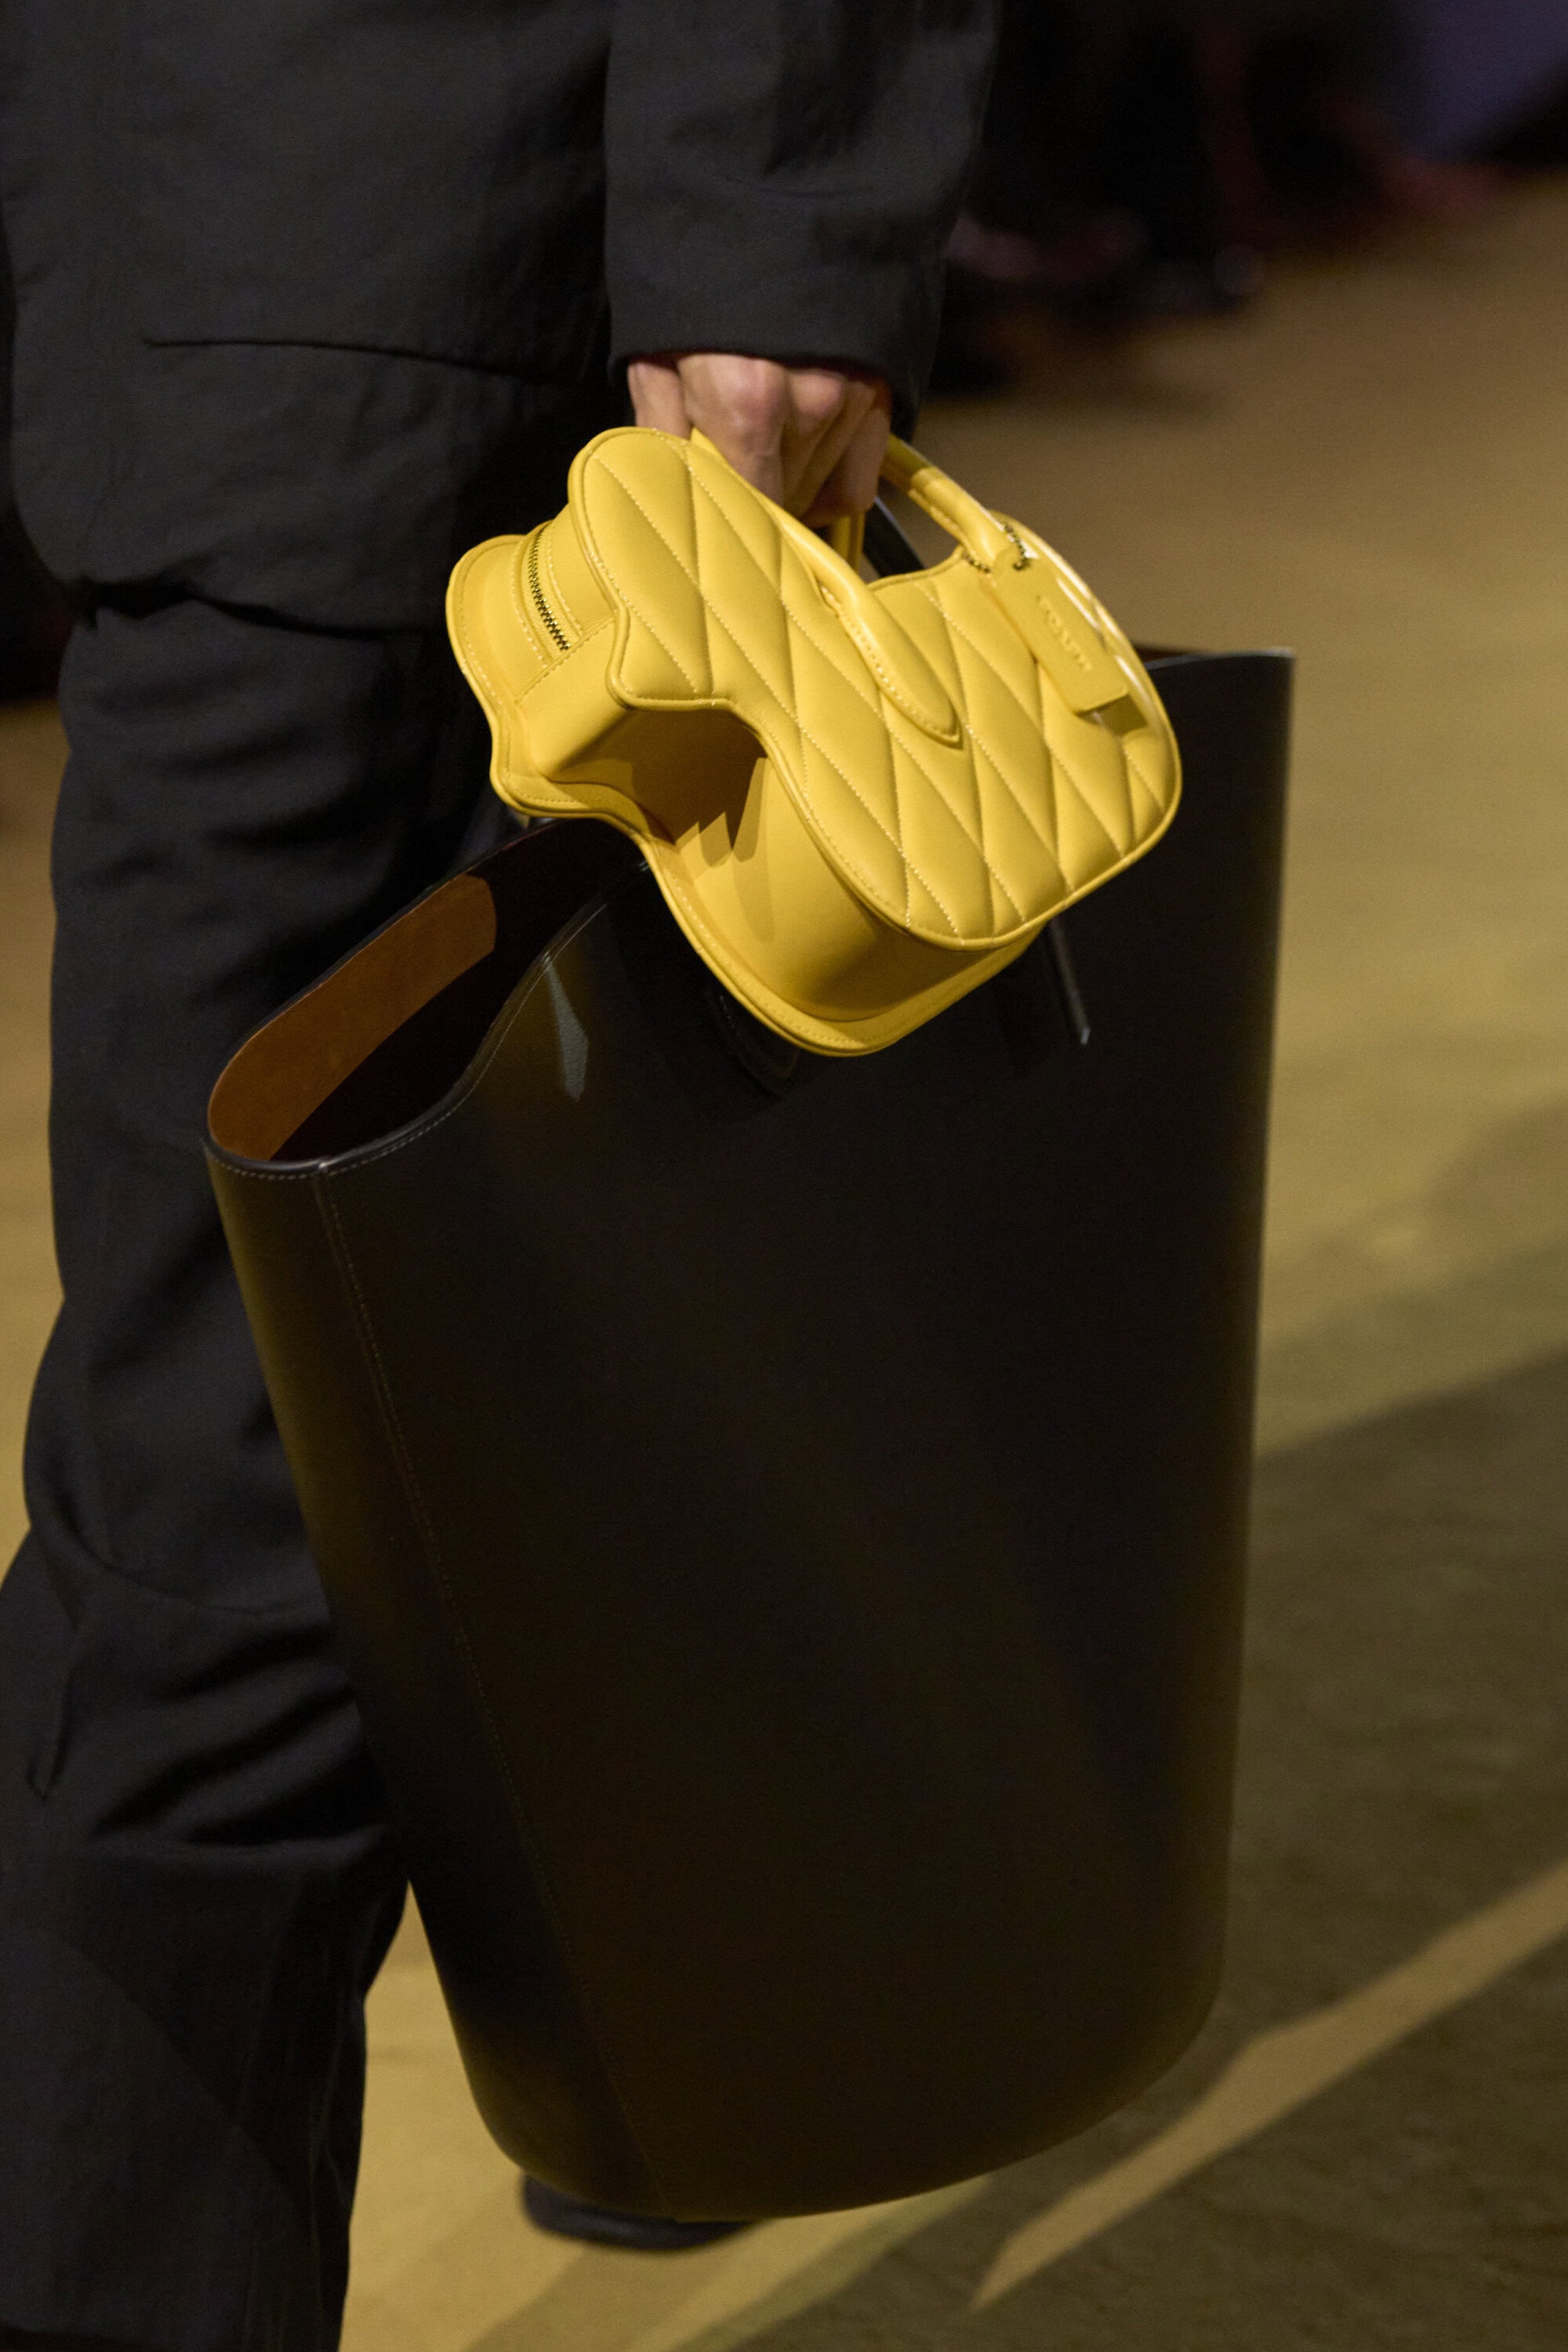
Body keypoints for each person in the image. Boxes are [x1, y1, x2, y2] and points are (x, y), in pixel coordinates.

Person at [0, 5, 1000, 2345]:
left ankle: (617, 2039)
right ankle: (655, 2018)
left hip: (396, 304)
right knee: (361, 1401)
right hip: (269, 277)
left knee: (248, 1473)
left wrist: (779, 215)